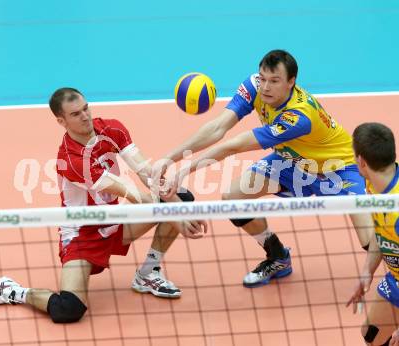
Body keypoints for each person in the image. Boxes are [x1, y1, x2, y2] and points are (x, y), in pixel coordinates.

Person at [0, 87, 207, 323]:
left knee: (182, 197)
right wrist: (177, 214)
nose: (85, 116)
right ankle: (11, 291)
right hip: (81, 236)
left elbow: (146, 172)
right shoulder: (71, 159)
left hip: (115, 222)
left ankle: (148, 273)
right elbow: (133, 194)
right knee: (69, 309)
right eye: (76, 114)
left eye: (86, 108)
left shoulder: (112, 129)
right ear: (61, 121)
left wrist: (181, 206)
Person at [155, 49, 373, 287]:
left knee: (369, 240)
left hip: (338, 170)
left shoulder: (298, 117)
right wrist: (170, 157)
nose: (266, 87)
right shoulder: (254, 86)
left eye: (275, 81)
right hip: (293, 162)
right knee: (233, 197)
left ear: (291, 82)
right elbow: (219, 127)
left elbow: (234, 146)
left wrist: (185, 170)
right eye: (263, 78)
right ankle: (278, 256)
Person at [346, 123, 399, 346]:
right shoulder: (374, 184)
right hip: (396, 277)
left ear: (361, 161)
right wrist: (367, 271)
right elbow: (380, 232)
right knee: (372, 334)